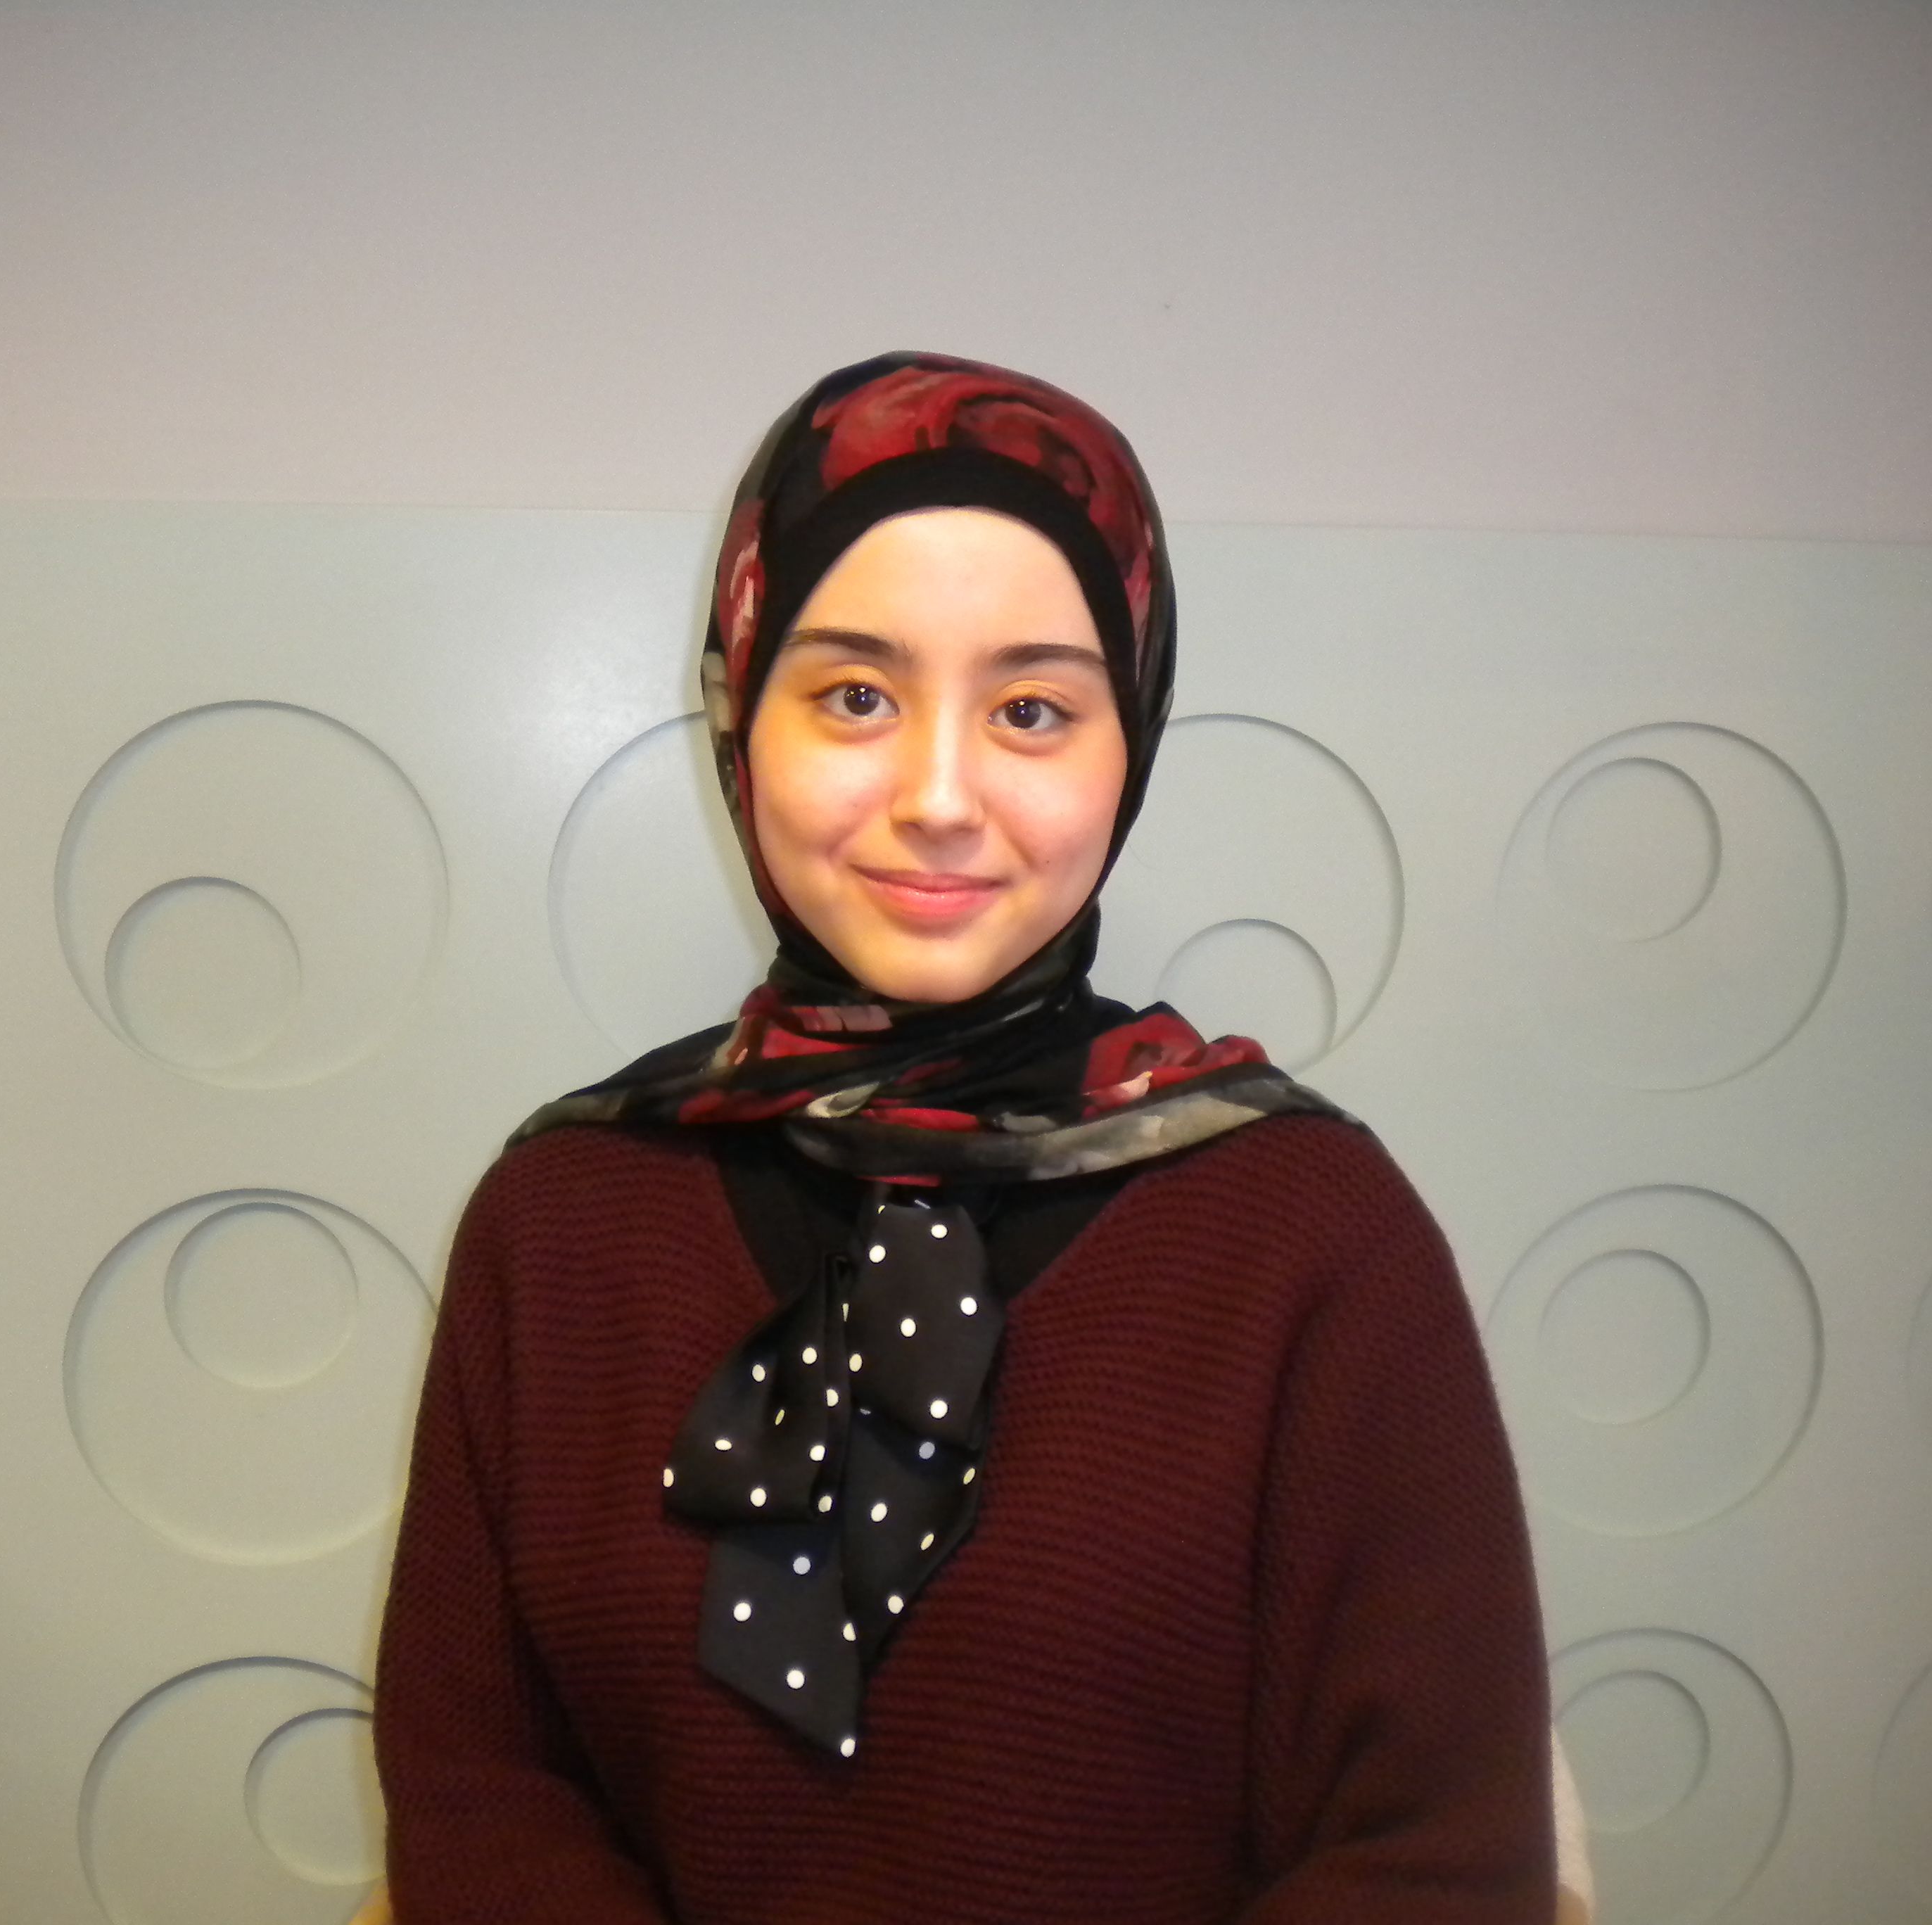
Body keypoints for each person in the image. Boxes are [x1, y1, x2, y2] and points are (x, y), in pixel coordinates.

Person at [372, 351, 1587, 1922]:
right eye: (855, 696)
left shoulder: (1315, 1241)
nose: (940, 796)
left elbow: (1438, 1857)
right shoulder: (559, 1224)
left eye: (1031, 709)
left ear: (1131, 739)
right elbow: (479, 1797)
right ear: (741, 718)